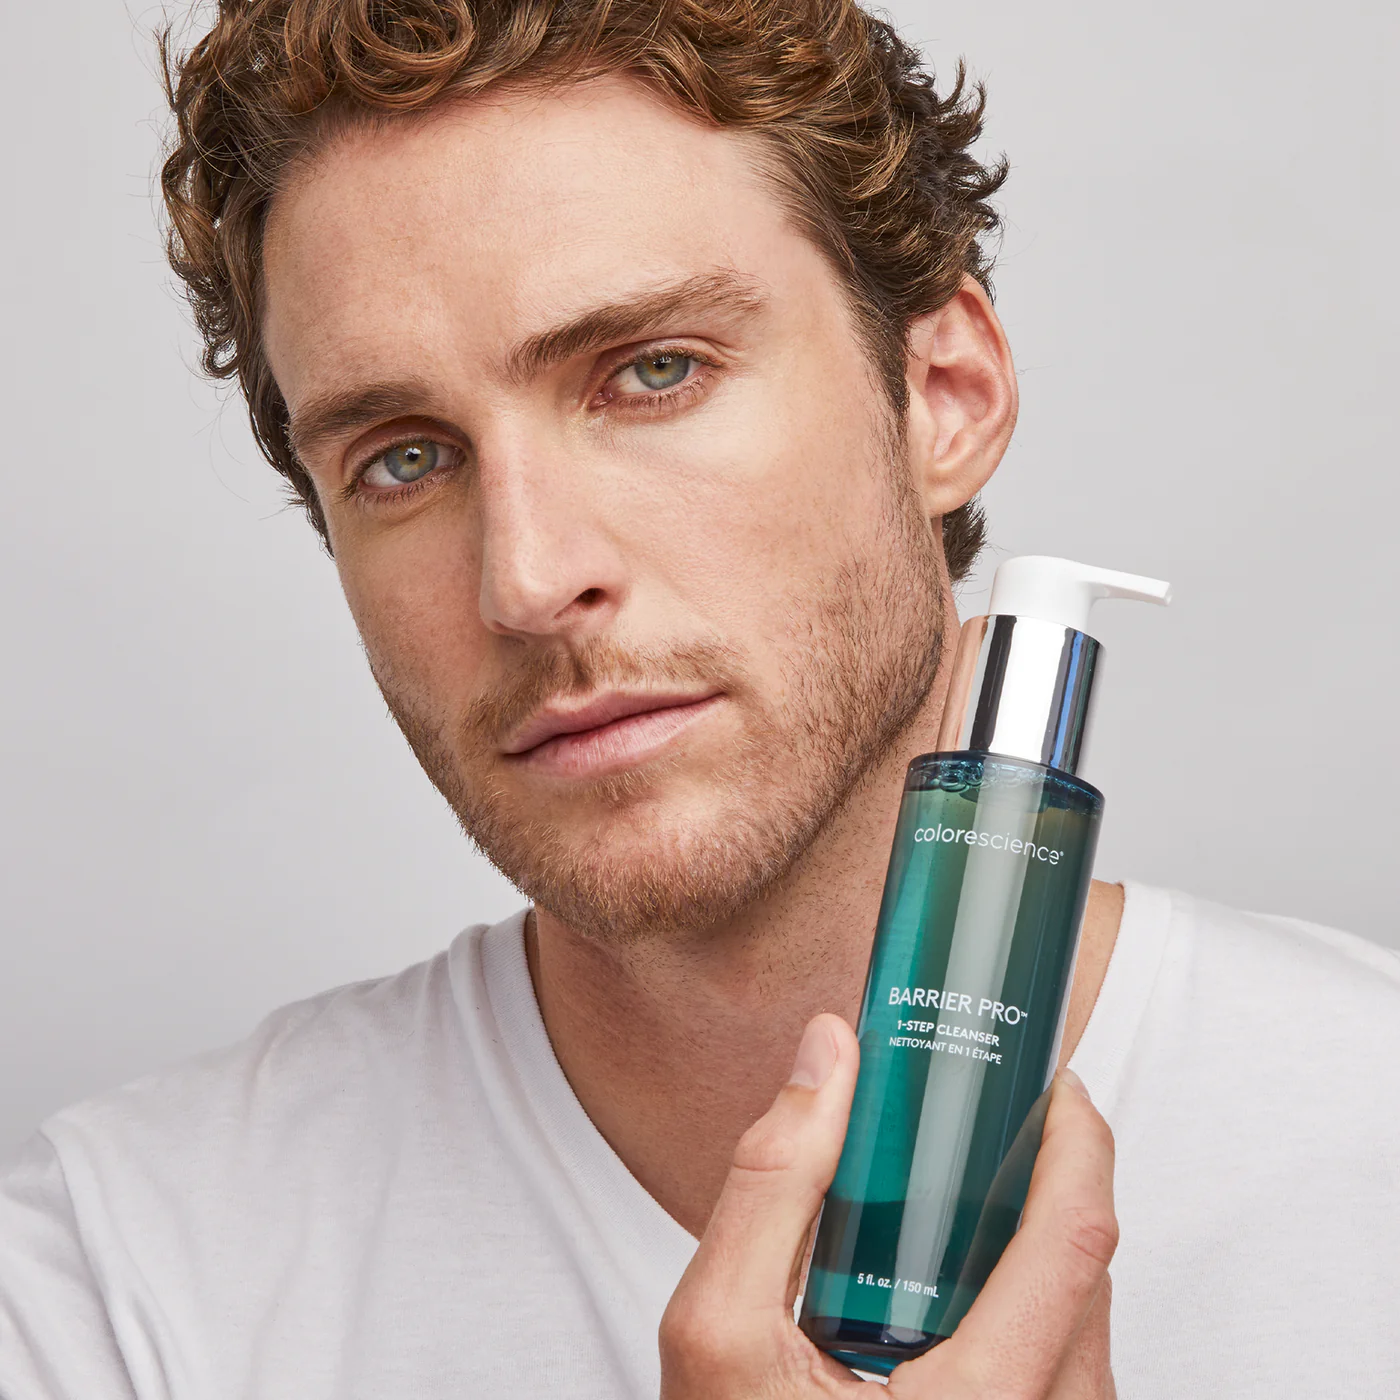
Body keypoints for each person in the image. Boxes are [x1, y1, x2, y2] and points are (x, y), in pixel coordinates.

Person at [1, 1, 1396, 1396]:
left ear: (945, 397)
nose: (529, 580)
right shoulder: (115, 1288)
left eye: (654, 372)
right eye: (404, 458)